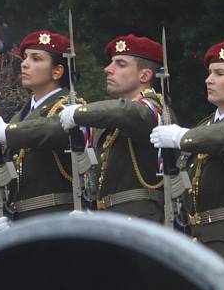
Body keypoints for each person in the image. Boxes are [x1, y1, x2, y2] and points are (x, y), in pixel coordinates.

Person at [0, 31, 81, 233]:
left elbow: (52, 129)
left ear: (57, 71)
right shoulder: (20, 117)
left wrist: (7, 132)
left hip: (55, 221)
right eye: (25, 58)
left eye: (36, 59)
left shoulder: (72, 108)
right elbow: (0, 172)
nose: (24, 64)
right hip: (19, 223)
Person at [60, 34, 165, 221]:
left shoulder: (153, 109)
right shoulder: (113, 122)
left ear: (145, 75)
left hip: (140, 219)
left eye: (120, 64)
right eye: (111, 63)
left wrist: (79, 112)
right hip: (112, 218)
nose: (108, 69)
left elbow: (126, 112)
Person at [151, 42, 224, 258]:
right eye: (210, 73)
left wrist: (182, 137)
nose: (209, 79)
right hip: (200, 238)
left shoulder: (196, 134)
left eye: (220, 73)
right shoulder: (204, 127)